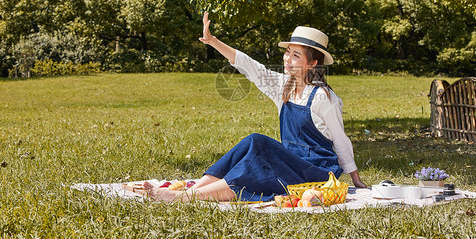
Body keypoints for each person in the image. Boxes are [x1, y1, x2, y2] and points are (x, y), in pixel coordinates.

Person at [144, 12, 367, 202]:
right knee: (253, 140)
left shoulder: (325, 99)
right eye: (288, 52)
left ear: (313, 63)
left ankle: (185, 198)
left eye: (296, 55)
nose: (287, 59)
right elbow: (250, 67)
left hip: (314, 173)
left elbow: (340, 140)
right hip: (288, 164)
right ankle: (192, 191)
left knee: (259, 146)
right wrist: (212, 41)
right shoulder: (284, 86)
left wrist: (355, 179)